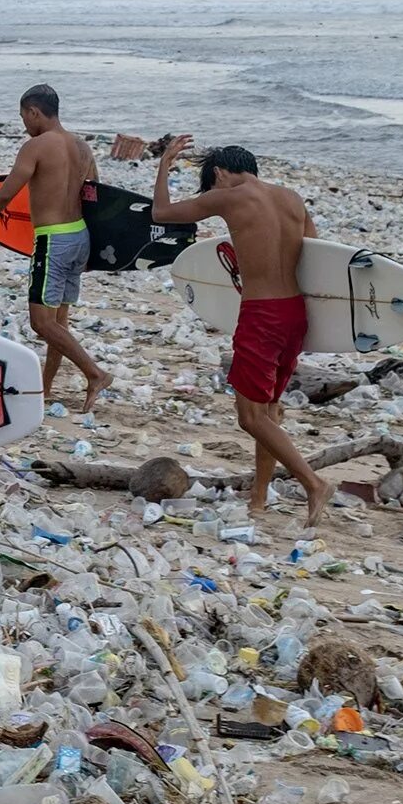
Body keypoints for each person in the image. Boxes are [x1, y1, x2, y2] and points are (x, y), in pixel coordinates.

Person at [152, 138, 332, 526]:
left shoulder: (230, 197)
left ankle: (313, 484)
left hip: (261, 315)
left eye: (211, 185)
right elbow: (320, 255)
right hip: (295, 314)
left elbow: (161, 213)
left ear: (219, 173)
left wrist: (165, 163)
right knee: (268, 410)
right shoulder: (291, 198)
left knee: (249, 417)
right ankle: (259, 496)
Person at [0, 84, 109, 410]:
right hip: (80, 236)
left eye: (24, 116)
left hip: (54, 239)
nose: (24, 123)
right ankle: (45, 388)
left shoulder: (35, 146)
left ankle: (94, 373)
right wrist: (95, 249)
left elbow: (6, 194)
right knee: (58, 323)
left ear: (34, 111)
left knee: (42, 323)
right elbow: (95, 198)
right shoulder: (82, 147)